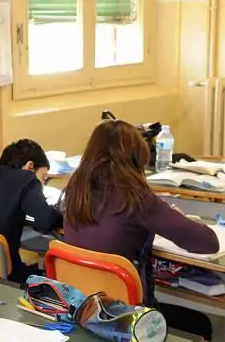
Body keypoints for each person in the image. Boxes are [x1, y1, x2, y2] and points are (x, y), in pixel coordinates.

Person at [62, 120, 220, 341]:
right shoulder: (135, 198)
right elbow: (208, 242)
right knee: (199, 323)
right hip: (124, 314)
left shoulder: (74, 191)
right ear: (137, 157)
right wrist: (178, 218)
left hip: (79, 306)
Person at [0, 139, 63, 283]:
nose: (42, 184)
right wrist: (60, 212)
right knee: (51, 275)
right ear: (30, 166)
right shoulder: (26, 178)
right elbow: (46, 221)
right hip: (4, 274)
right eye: (43, 178)